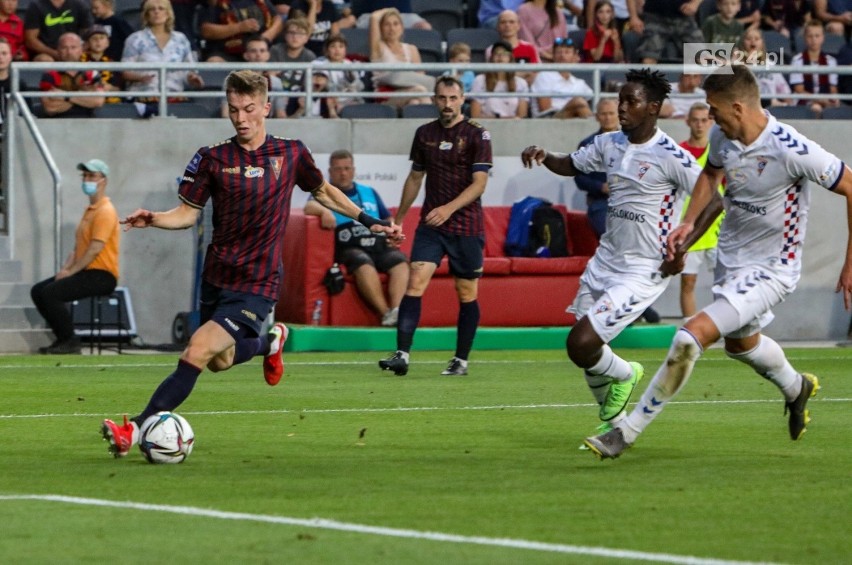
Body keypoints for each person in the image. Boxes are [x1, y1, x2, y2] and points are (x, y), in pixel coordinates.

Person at [101, 70, 402, 459]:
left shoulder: (291, 153)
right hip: (217, 275)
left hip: (257, 280)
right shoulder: (211, 157)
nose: (240, 118)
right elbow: (187, 214)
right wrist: (155, 218)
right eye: (233, 110)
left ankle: (134, 430)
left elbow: (324, 192)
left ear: (265, 107)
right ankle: (269, 342)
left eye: (248, 109)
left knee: (196, 350)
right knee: (219, 361)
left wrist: (371, 222)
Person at [583, 63, 852, 460]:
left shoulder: (792, 149)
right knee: (741, 345)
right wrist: (688, 223)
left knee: (688, 338)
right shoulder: (722, 137)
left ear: (739, 107)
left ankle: (626, 431)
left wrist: (849, 264)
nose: (710, 117)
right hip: (732, 259)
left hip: (772, 269)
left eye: (714, 109)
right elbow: (710, 176)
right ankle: (797, 388)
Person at [520, 69, 702, 442]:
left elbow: (712, 198)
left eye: (630, 102)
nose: (622, 108)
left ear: (653, 108)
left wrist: (681, 245)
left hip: (643, 268)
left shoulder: (672, 156)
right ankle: (614, 423)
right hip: (606, 260)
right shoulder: (609, 143)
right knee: (584, 350)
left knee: (581, 342)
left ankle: (626, 374)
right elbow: (570, 164)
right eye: (620, 100)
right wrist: (544, 155)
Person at [379, 76, 493, 377]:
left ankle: (461, 360)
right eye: (442, 98)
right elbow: (415, 177)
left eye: (453, 98)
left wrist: (448, 208)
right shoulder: (424, 133)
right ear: (434, 99)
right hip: (432, 224)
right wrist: (400, 218)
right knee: (415, 279)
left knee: (466, 291)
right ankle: (402, 353)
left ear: (462, 99)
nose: (447, 104)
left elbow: (479, 183)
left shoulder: (478, 135)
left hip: (466, 225)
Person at [305, 150, 409, 326]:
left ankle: (396, 311)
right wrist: (323, 211)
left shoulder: (369, 192)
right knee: (363, 262)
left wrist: (393, 230)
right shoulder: (325, 193)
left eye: (346, 168)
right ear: (329, 172)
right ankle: (386, 315)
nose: (343, 173)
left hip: (377, 243)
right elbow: (309, 206)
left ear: (353, 170)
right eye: (338, 169)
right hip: (349, 247)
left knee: (399, 260)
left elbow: (388, 218)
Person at [31, 159, 119, 355]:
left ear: (103, 180)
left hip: (102, 275)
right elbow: (78, 248)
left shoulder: (106, 211)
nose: (87, 180)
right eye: (85, 176)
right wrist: (65, 269)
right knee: (38, 291)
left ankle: (70, 340)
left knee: (50, 293)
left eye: (92, 176)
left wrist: (71, 272)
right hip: (85, 270)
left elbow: (95, 249)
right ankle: (63, 338)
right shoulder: (90, 211)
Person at [678, 102, 724, 321]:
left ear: (711, 121)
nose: (699, 124)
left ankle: (731, 327)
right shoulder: (678, 152)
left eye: (704, 119)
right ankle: (690, 329)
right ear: (687, 121)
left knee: (726, 281)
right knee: (688, 281)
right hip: (689, 227)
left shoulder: (719, 154)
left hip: (718, 228)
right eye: (695, 119)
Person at [121, 0, 204, 117]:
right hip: (143, 96)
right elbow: (125, 72)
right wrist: (140, 77)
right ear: (146, 14)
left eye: (161, 8)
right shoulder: (135, 39)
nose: (156, 12)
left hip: (175, 97)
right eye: (152, 9)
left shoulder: (181, 39)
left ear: (168, 13)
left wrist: (192, 78)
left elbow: (189, 70)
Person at [368, 7, 434, 108]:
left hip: (412, 93)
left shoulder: (412, 49)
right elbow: (374, 17)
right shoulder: (378, 48)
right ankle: (434, 122)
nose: (392, 28)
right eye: (387, 24)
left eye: (395, 24)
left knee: (414, 102)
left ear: (402, 27)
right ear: (381, 28)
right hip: (387, 97)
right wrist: (391, 9)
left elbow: (421, 78)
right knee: (420, 91)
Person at [573, 98, 619, 239]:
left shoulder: (633, 142)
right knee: (613, 239)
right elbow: (579, 178)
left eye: (611, 113)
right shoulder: (587, 144)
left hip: (630, 202)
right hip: (600, 203)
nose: (608, 118)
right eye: (604, 114)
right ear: (597, 117)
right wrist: (601, 187)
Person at [38, 32, 105, 118]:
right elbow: (50, 108)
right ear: (58, 50)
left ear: (81, 50)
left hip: (88, 122)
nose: (69, 52)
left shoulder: (92, 73)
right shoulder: (49, 74)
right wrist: (84, 98)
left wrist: (65, 96)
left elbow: (98, 101)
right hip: (57, 123)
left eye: (73, 47)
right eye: (64, 48)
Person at [221, 35, 286, 118]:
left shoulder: (275, 82)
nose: (258, 55)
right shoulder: (231, 81)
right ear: (246, 55)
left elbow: (281, 115)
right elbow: (226, 115)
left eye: (262, 51)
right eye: (253, 51)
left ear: (267, 55)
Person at [529, 37, 592, 119]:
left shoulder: (579, 82)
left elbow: (594, 101)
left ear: (575, 57)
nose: (562, 55)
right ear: (553, 56)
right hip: (549, 119)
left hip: (573, 120)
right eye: (559, 52)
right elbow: (545, 109)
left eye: (567, 52)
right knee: (578, 102)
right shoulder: (544, 76)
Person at [199, 0, 282, 62]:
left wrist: (266, 37)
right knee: (214, 62)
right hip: (228, 54)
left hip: (260, 53)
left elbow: (278, 20)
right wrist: (239, 27)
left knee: (276, 63)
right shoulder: (217, 3)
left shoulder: (260, 1)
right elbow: (206, 31)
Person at [628, 0, 704, 65]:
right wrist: (633, 16)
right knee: (648, 57)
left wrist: (695, 3)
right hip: (654, 18)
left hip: (684, 18)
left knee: (701, 56)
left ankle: (698, 82)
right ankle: (647, 81)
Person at [789, 19, 839, 115]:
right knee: (816, 108)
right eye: (810, 36)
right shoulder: (797, 60)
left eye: (817, 36)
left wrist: (833, 99)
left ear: (823, 38)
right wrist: (820, 100)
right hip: (804, 100)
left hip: (825, 99)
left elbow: (833, 88)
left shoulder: (831, 61)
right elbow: (799, 89)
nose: (814, 40)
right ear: (805, 38)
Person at [469, 40, 530, 119]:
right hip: (486, 127)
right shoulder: (480, 80)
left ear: (510, 58)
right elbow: (475, 116)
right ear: (491, 58)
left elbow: (522, 116)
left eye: (505, 54)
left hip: (514, 128)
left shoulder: (521, 83)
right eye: (497, 53)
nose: (500, 57)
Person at [736, 27, 792, 107]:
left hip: (770, 108)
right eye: (749, 39)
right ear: (743, 43)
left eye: (756, 39)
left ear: (762, 42)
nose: (753, 41)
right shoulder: (737, 64)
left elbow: (785, 92)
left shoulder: (770, 64)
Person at [23, 0, 93, 61]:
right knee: (44, 60)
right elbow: (31, 40)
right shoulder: (36, 6)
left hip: (75, 51)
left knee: (90, 57)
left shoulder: (80, 4)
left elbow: (89, 35)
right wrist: (55, 54)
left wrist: (77, 51)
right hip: (47, 53)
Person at [314, 34, 365, 110]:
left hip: (348, 100)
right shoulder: (319, 63)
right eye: (333, 46)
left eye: (341, 46)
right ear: (327, 50)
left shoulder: (349, 64)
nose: (337, 50)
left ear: (345, 50)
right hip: (327, 101)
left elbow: (359, 86)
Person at [288, 0, 355, 55]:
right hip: (304, 53)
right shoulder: (297, 6)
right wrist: (313, 5)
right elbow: (306, 33)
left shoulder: (328, 6)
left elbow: (335, 35)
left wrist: (332, 51)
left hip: (325, 53)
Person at [269, 17, 316, 95]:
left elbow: (309, 84)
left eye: (300, 33)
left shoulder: (310, 57)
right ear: (285, 35)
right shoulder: (275, 50)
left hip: (299, 96)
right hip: (276, 94)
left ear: (306, 38)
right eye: (291, 32)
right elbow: (271, 77)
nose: (295, 37)